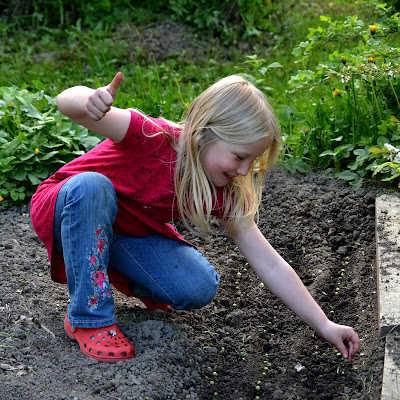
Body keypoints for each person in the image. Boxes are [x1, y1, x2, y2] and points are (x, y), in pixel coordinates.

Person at [30, 72, 360, 363]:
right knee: (93, 186)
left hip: (123, 234)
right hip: (67, 209)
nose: (244, 170)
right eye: (240, 156)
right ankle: (89, 318)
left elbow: (269, 262)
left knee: (198, 284)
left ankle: (105, 266)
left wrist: (324, 324)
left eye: (252, 160)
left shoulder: (223, 190)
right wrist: (88, 100)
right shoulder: (150, 136)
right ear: (204, 133)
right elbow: (65, 103)